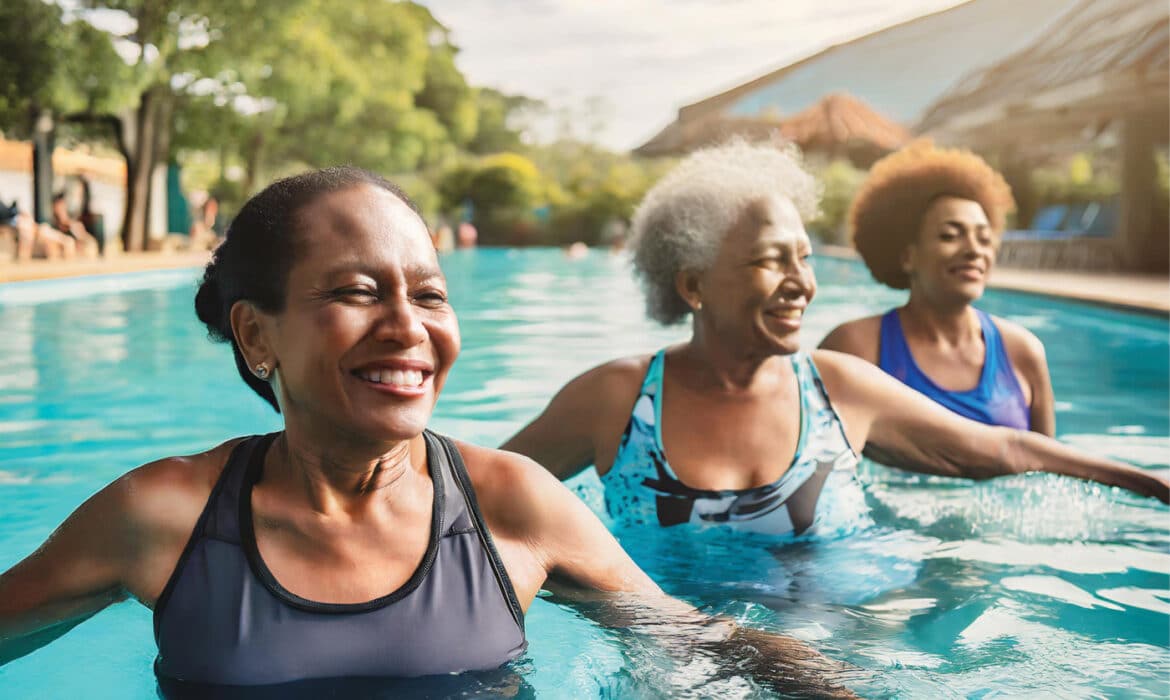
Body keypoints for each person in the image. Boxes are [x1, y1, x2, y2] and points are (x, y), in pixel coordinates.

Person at [0, 166, 855, 697]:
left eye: (430, 293)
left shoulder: (509, 504)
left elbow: (698, 639)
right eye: (356, 291)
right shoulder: (168, 516)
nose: (409, 327)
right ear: (257, 335)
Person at [502, 141, 1168, 537]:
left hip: (844, 655)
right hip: (673, 662)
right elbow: (469, 490)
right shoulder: (617, 400)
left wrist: (1154, 485)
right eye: (770, 260)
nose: (801, 284)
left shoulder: (838, 388)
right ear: (694, 285)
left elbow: (999, 447)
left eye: (806, 258)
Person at [820, 143, 1054, 435]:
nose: (974, 250)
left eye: (984, 238)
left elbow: (1052, 472)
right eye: (950, 236)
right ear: (907, 256)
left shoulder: (1024, 352)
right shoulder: (855, 347)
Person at [50, 191, 99, 257]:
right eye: (58, 206)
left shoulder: (75, 225)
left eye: (62, 206)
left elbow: (89, 243)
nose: (60, 209)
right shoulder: (52, 226)